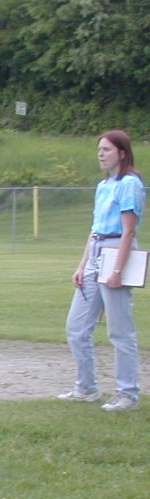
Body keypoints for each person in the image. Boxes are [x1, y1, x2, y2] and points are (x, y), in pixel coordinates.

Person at [59, 130, 145, 411]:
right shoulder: (103, 186)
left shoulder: (129, 184)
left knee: (120, 330)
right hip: (96, 252)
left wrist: (117, 269)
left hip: (116, 252)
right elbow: (95, 230)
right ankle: (86, 388)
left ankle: (127, 394)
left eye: (107, 149)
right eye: (99, 149)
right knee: (76, 327)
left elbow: (128, 230)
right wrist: (82, 265)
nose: (101, 153)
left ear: (121, 152)